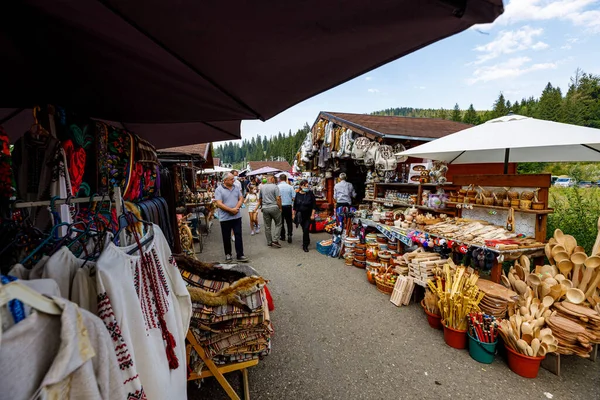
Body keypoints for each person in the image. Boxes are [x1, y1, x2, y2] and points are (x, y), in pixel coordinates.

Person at [214, 173, 249, 262]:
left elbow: (241, 198)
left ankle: (240, 254)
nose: (233, 180)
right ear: (225, 180)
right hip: (225, 217)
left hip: (236, 216)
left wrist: (236, 208)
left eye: (233, 179)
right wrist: (230, 210)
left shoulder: (236, 187)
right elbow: (219, 203)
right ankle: (228, 254)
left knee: (238, 235)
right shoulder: (219, 190)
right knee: (226, 237)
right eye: (231, 179)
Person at [258, 175, 283, 248]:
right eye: (274, 179)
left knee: (267, 226)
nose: (275, 180)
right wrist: (280, 207)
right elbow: (278, 198)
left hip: (265, 208)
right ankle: (275, 240)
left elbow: (260, 198)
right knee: (278, 223)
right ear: (272, 179)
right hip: (274, 207)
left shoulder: (262, 187)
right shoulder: (275, 187)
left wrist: (262, 207)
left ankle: (269, 241)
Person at [293, 179, 317, 252]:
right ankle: (307, 240)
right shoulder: (297, 194)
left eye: (307, 186)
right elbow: (295, 206)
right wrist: (293, 214)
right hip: (300, 215)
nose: (306, 187)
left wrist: (313, 214)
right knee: (304, 229)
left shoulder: (310, 193)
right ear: (301, 186)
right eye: (304, 186)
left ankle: (305, 245)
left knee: (306, 229)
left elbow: (314, 205)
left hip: (308, 215)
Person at [278, 174, 295, 243]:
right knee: (289, 221)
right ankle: (289, 234)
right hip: (288, 206)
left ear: (280, 179)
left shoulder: (277, 187)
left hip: (280, 206)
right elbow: (294, 197)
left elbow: (277, 198)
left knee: (281, 222)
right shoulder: (290, 187)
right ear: (286, 179)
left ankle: (283, 236)